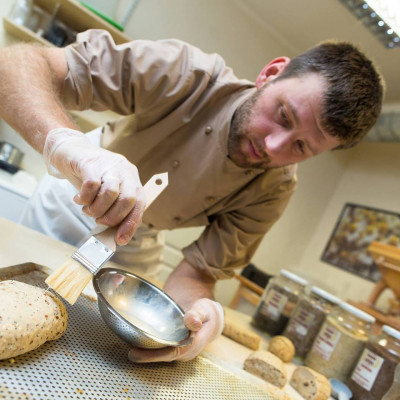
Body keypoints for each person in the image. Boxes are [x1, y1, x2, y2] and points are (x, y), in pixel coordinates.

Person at [0, 29, 384, 363]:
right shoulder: (184, 72)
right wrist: (71, 148)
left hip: (134, 245)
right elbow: (17, 66)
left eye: (301, 147)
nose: (272, 146)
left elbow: (197, 273)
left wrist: (201, 311)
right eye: (284, 115)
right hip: (70, 198)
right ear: (270, 74)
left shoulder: (274, 190)